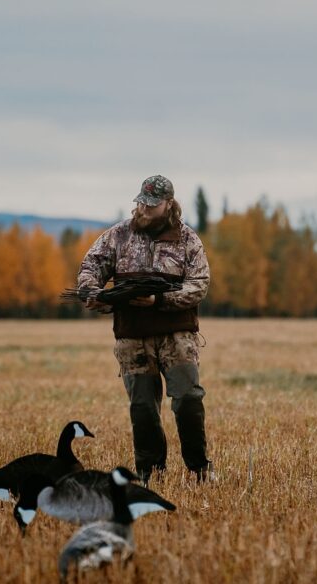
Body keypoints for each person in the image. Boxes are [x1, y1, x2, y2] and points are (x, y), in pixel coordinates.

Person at [77, 175, 213, 484]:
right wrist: (91, 292)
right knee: (142, 408)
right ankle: (150, 474)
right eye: (141, 201)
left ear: (169, 204)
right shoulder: (117, 236)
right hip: (132, 337)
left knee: (188, 401)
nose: (144, 208)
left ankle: (200, 470)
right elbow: (91, 266)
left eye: (152, 204)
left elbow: (199, 285)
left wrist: (159, 299)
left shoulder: (187, 239)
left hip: (177, 337)